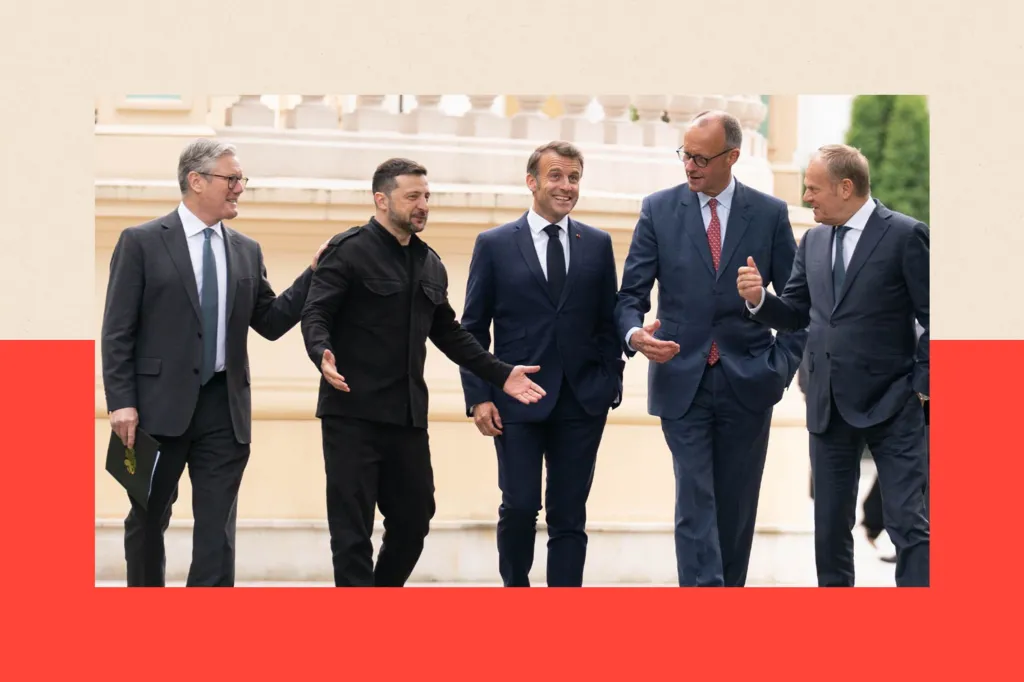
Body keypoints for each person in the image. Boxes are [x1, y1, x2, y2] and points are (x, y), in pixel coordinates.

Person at [300, 157, 549, 587]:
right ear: (381, 200)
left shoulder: (430, 263)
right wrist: (320, 351)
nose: (423, 205)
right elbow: (316, 311)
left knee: (415, 518)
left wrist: (501, 373)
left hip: (408, 418)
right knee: (351, 530)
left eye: (427, 196)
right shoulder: (348, 250)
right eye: (413, 196)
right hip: (352, 415)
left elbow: (450, 334)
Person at [101, 138, 325, 587]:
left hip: (224, 408)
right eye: (232, 178)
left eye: (242, 179)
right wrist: (121, 401)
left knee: (217, 530)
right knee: (146, 519)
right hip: (155, 409)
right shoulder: (141, 242)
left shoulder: (246, 250)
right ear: (196, 180)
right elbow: (118, 331)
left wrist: (313, 274)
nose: (240, 187)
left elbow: (270, 321)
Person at [615, 111, 806, 587]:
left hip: (751, 380)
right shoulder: (658, 209)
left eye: (701, 158)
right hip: (682, 379)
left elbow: (800, 309)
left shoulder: (768, 213)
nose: (690, 166)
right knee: (695, 500)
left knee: (736, 508)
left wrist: (779, 364)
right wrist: (635, 335)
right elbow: (629, 296)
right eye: (686, 155)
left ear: (732, 157)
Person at [738, 143, 929, 587]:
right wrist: (759, 299)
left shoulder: (906, 235)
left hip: (894, 404)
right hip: (828, 406)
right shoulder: (813, 240)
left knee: (908, 524)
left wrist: (923, 385)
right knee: (829, 530)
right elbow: (795, 312)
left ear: (845, 187)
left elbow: (935, 315)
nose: (806, 197)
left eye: (813, 188)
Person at [458, 141, 624, 587]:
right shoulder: (494, 244)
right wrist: (479, 397)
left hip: (582, 400)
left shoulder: (597, 244)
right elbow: (472, 329)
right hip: (516, 398)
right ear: (531, 182)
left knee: (569, 514)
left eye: (574, 177)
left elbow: (607, 323)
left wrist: (609, 382)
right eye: (556, 176)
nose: (566, 186)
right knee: (519, 506)